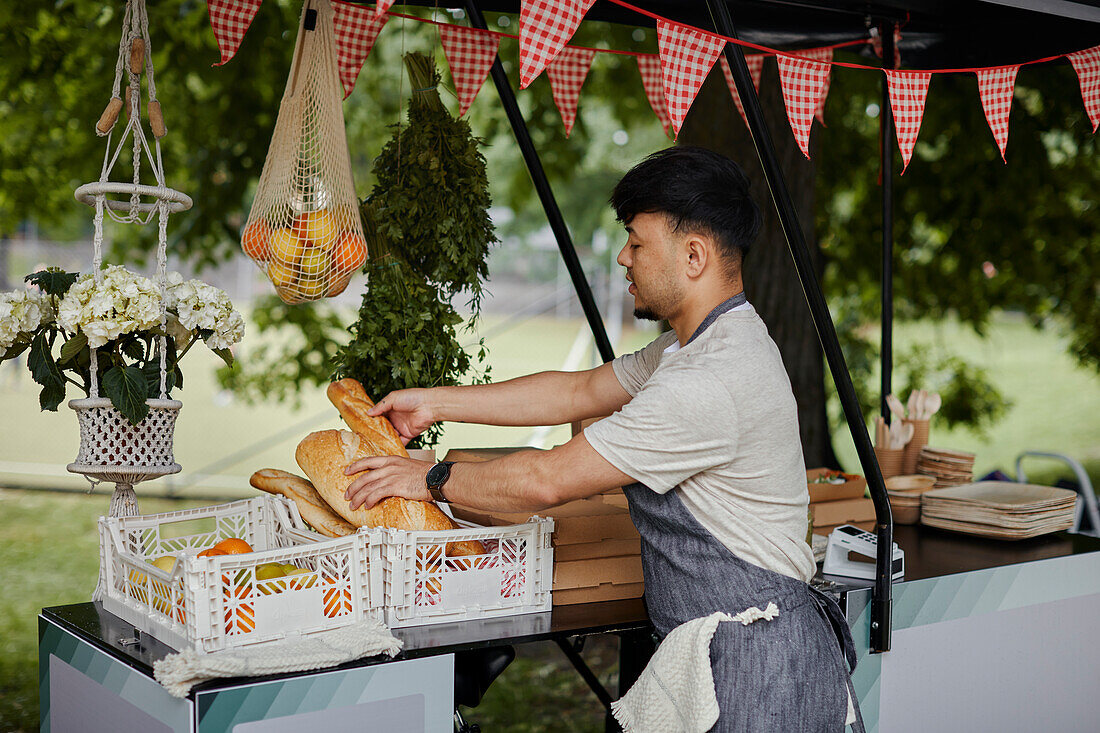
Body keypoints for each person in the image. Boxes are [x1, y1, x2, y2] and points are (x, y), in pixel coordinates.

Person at [344, 146, 862, 731]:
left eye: (637, 243)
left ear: (693, 255)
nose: (623, 257)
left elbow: (546, 481)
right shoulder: (693, 346)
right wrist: (438, 401)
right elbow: (578, 392)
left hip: (759, 674)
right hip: (725, 654)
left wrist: (431, 478)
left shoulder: (709, 380)